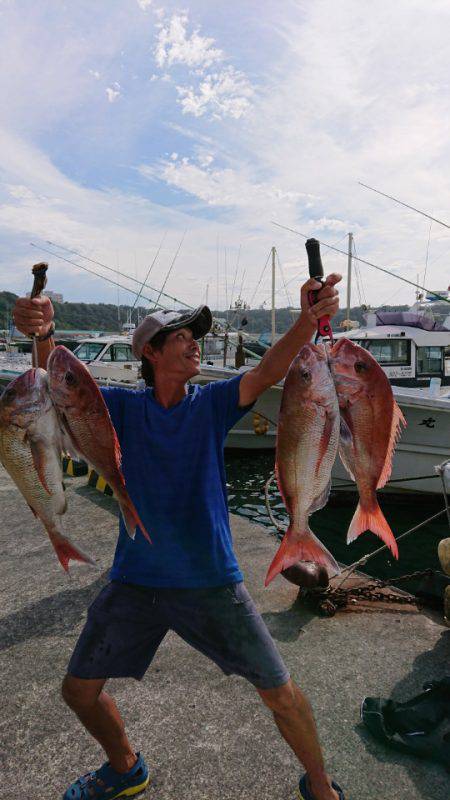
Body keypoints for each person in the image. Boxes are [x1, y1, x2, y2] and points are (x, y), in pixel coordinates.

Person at [13, 274, 346, 800]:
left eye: (197, 335)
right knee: (78, 691)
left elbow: (266, 372)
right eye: (183, 336)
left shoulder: (210, 405)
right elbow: (63, 389)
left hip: (211, 580)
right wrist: (43, 332)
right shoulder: (120, 410)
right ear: (149, 352)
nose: (196, 343)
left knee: (281, 694)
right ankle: (126, 767)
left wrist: (308, 319)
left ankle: (323, 788)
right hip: (135, 581)